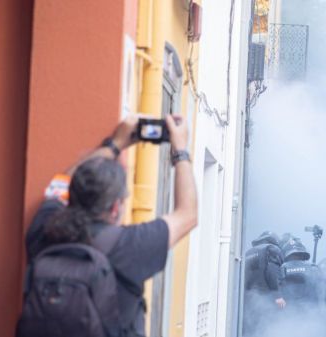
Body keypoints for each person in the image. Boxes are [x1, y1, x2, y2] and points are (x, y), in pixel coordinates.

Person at [17, 115, 198, 337]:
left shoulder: (45, 229)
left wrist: (115, 143)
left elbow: (61, 183)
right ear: (115, 208)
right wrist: (181, 150)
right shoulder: (130, 245)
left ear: (72, 195)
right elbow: (188, 214)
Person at [243, 231, 286, 336]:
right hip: (266, 298)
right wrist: (278, 295)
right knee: (267, 328)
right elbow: (272, 270)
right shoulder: (271, 249)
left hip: (250, 299)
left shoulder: (248, 253)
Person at [279, 240, 323, 312]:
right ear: (303, 255)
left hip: (286, 314)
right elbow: (321, 293)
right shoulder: (314, 268)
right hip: (311, 313)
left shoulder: (280, 270)